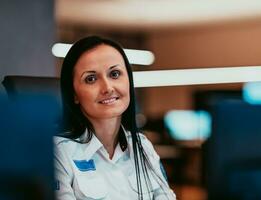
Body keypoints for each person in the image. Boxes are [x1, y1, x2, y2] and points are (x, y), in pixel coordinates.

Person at [54, 35, 176, 200]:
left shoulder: (143, 147)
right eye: (91, 79)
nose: (107, 87)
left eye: (115, 74)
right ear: (74, 94)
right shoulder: (59, 152)